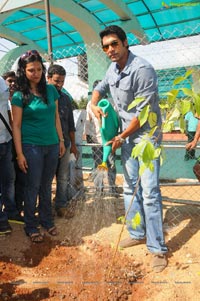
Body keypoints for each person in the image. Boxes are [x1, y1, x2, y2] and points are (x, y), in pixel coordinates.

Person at [91, 25, 168, 272]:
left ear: (125, 43)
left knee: (150, 192)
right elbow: (100, 87)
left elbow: (144, 114)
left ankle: (157, 249)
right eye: (106, 47)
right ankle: (137, 232)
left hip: (145, 139)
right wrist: (93, 104)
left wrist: (121, 136)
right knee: (128, 188)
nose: (110, 50)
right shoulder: (112, 69)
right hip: (125, 138)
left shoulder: (142, 69)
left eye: (114, 44)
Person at [12, 50, 65, 243]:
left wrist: (60, 140)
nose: (36, 73)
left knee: (46, 185)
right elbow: (16, 126)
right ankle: (31, 225)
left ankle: (46, 220)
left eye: (39, 69)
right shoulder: (19, 95)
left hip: (51, 144)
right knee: (32, 186)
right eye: (31, 70)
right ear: (23, 72)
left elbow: (56, 117)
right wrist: (19, 154)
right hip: (31, 146)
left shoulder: (51, 90)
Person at [47, 64, 77, 218]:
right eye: (56, 81)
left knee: (63, 177)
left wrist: (73, 146)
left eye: (62, 82)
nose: (59, 85)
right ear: (48, 78)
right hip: (47, 146)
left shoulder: (65, 99)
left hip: (64, 145)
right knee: (45, 178)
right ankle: (45, 209)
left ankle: (60, 205)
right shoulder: (41, 97)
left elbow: (70, 125)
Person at [85, 80, 117, 193]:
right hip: (96, 139)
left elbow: (115, 120)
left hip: (109, 140)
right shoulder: (90, 104)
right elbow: (88, 122)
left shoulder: (112, 102)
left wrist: (116, 137)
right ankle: (99, 189)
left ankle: (112, 188)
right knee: (98, 164)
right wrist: (89, 137)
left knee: (111, 164)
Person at [0, 75, 23, 228]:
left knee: (9, 179)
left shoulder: (1, 82)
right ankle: (1, 220)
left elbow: (6, 109)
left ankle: (11, 212)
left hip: (6, 140)